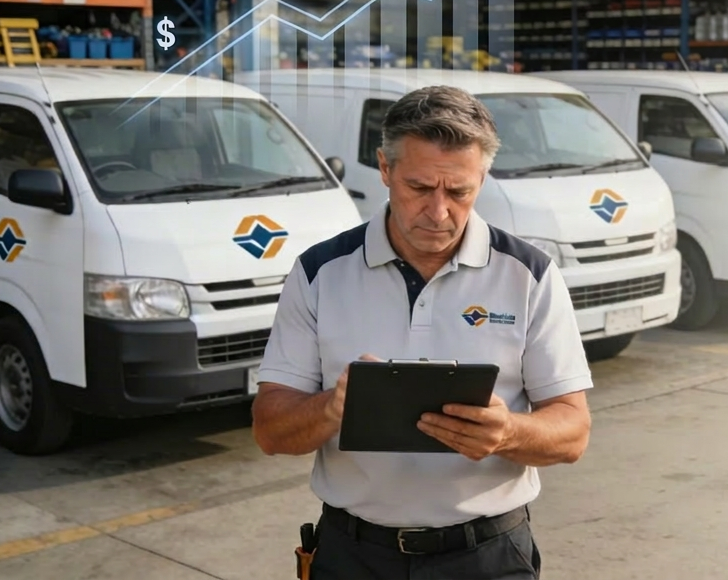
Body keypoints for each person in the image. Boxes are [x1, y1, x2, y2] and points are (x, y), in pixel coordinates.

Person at [252, 84, 593, 580]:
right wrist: (330, 409)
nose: (439, 213)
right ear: (385, 169)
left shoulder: (528, 275)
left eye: (459, 192)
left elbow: (573, 432)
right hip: (354, 555)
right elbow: (269, 430)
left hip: (489, 557)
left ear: (483, 176)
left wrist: (508, 432)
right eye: (418, 188)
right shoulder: (320, 273)